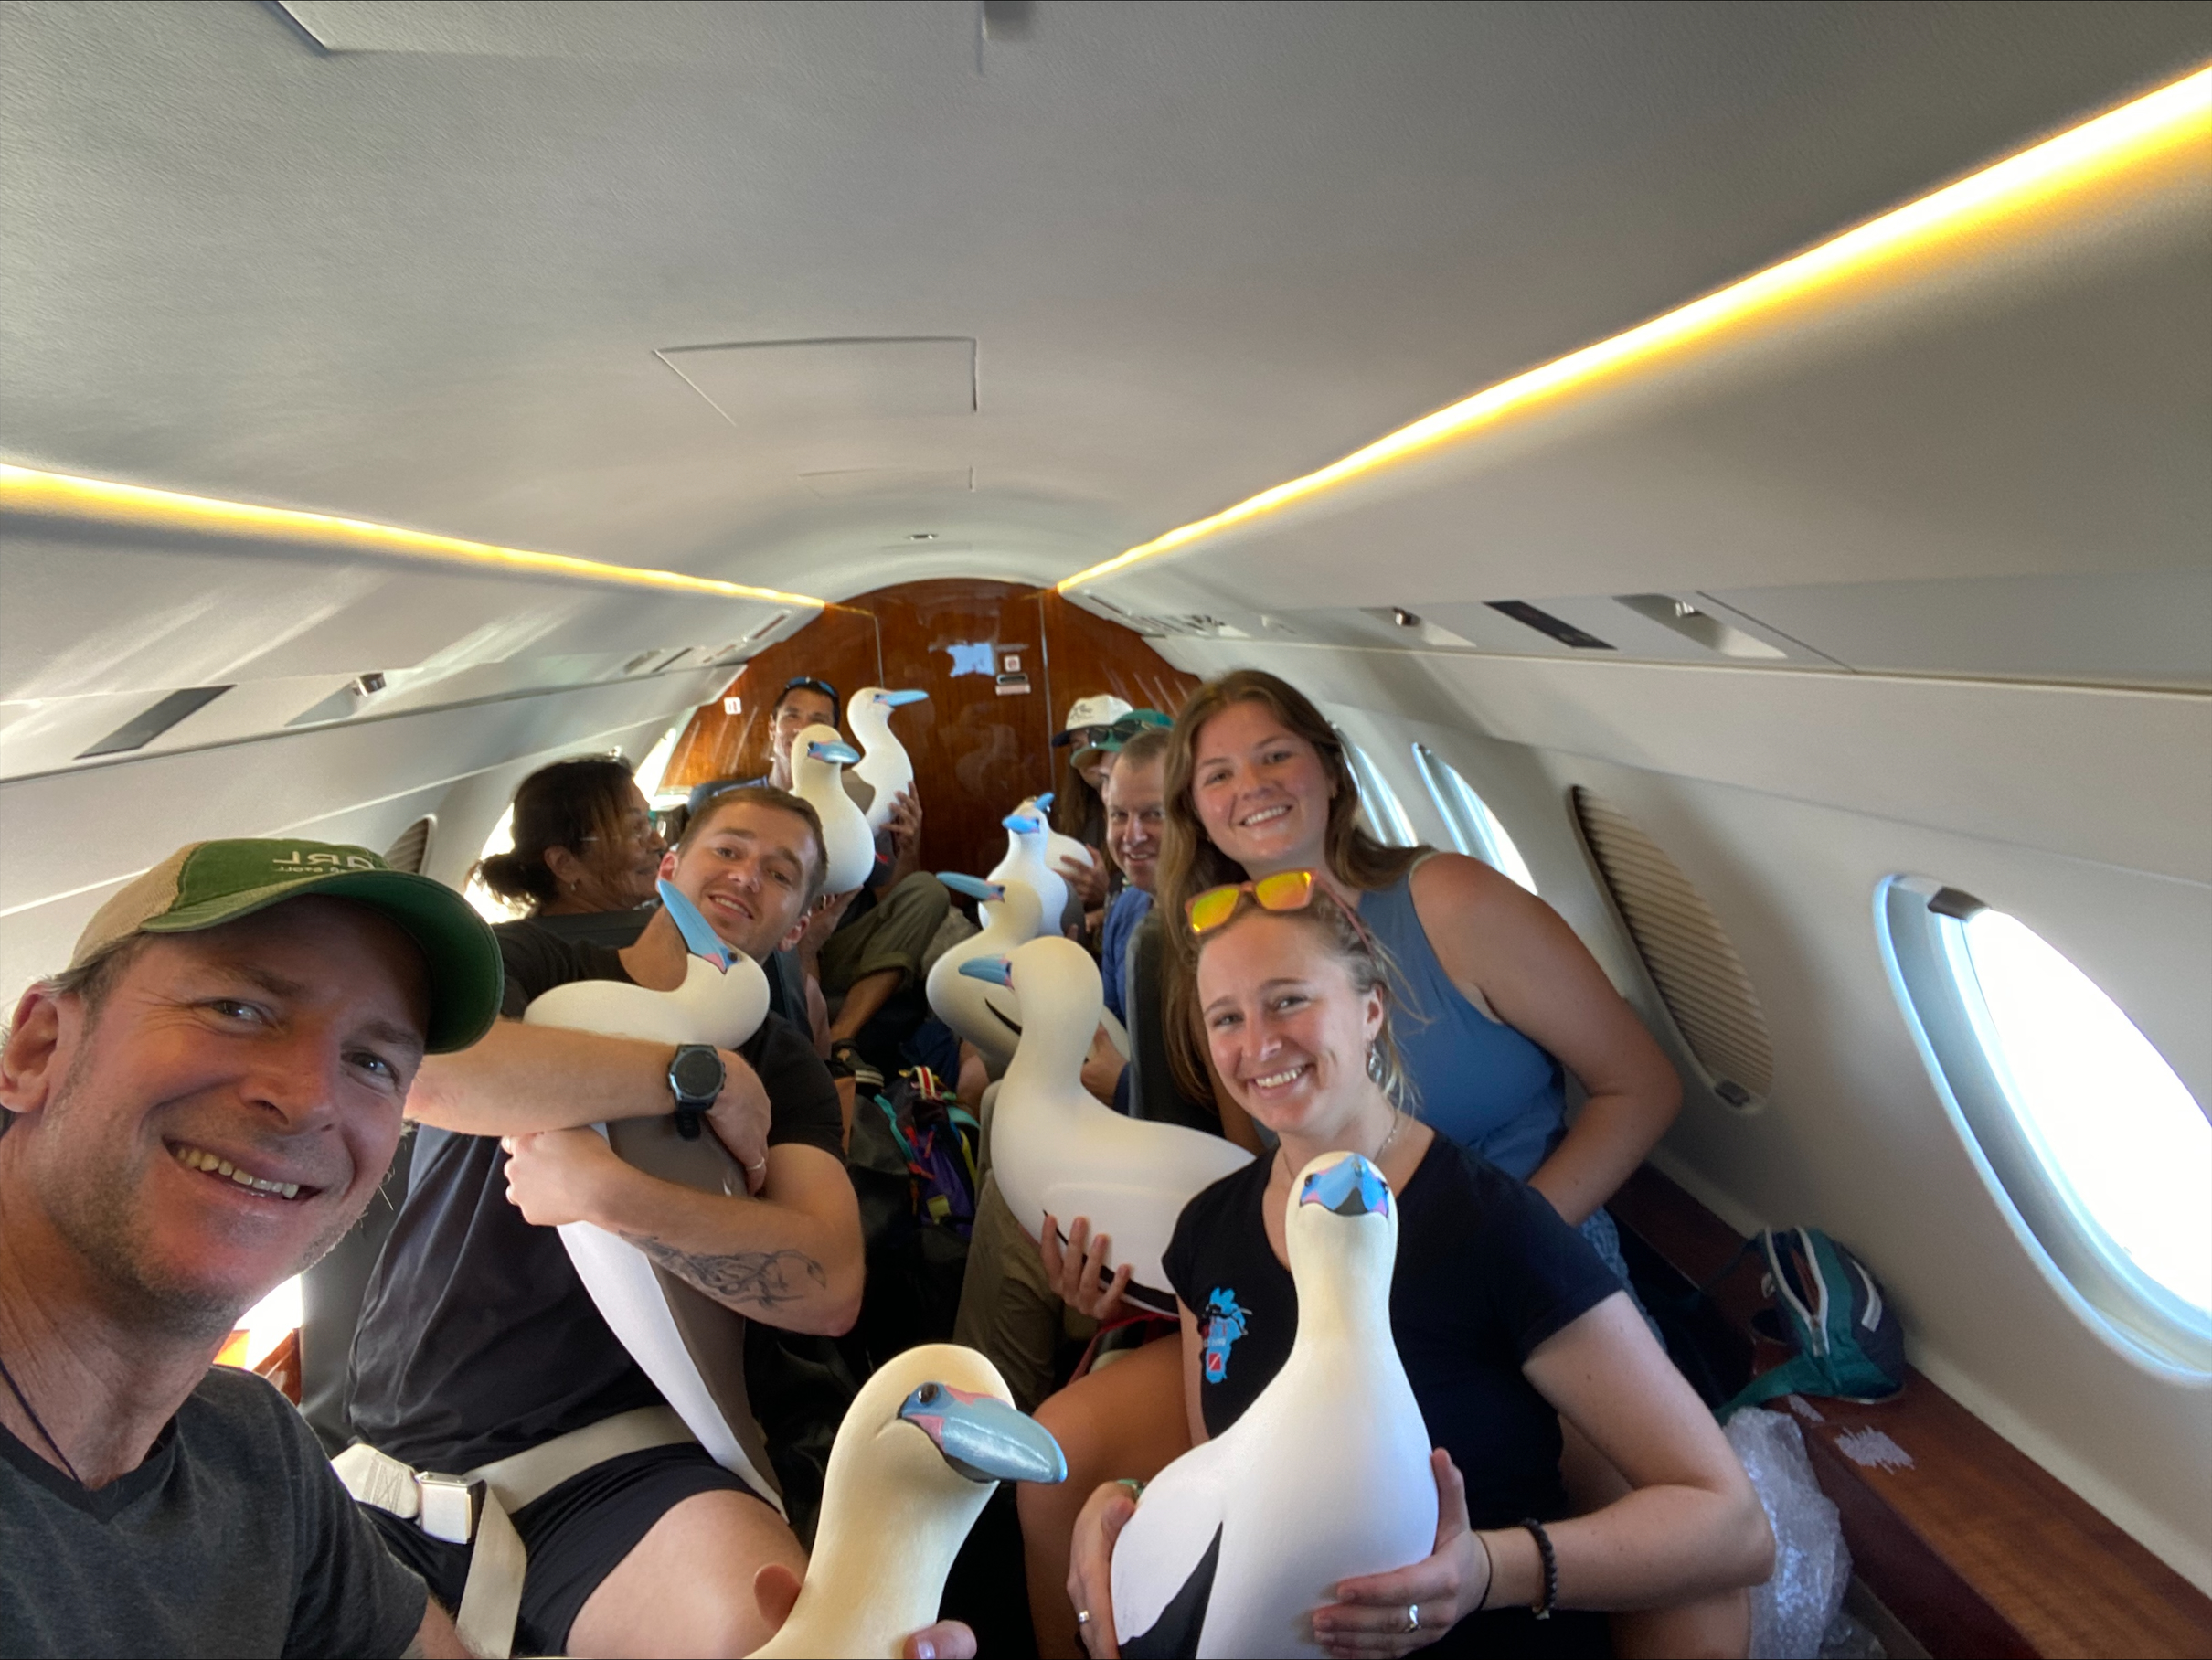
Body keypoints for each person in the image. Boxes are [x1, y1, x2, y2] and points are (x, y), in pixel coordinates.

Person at [1020, 667, 1695, 1655]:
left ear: (1331, 770)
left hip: (1520, 1249)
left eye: (1274, 753)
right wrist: (1126, 1296)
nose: (1249, 785)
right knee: (1062, 1457)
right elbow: (1260, 1167)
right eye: (1217, 773)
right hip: (1317, 1267)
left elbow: (1642, 1085)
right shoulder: (1207, 953)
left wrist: (1481, 1241)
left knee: (1682, 1585)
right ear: (1192, 810)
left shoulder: (1448, 899)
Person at [1064, 878, 1771, 1658]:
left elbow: (1733, 1525)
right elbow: (1227, 1473)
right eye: (1226, 1017)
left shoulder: (1492, 1224)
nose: (1258, 1044)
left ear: (1370, 1011)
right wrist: (1128, 1506)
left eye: (1289, 1001)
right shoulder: (1209, 1233)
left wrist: (1489, 1571)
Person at [346, 786, 951, 1658]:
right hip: (401, 1450)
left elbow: (827, 1282)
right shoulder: (528, 959)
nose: (748, 876)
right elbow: (435, 1077)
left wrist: (606, 1194)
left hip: (615, 1460)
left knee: (777, 1634)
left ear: (794, 926)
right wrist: (688, 1074)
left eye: (781, 874)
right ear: (670, 866)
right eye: (730, 850)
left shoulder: (783, 1067)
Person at [0, 836, 506, 1657]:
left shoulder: (251, 1450)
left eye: (371, 1061)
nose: (308, 1100)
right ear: (38, 1050)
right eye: (237, 1010)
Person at [693, 674, 946, 1082]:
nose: (803, 728)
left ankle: (844, 1036)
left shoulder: (858, 797)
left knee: (928, 892)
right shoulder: (734, 807)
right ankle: (813, 1047)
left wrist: (908, 847)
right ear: (773, 727)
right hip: (777, 934)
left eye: (818, 719)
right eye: (793, 716)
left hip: (847, 937)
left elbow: (892, 894)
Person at [478, 756, 669, 950]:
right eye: (635, 829)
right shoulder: (565, 959)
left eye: (649, 822)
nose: (659, 842)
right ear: (564, 864)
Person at [1078, 725, 1170, 1112]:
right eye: (1119, 815)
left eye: (1153, 815)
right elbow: (1110, 1025)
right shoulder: (1127, 910)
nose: (1132, 836)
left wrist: (1124, 1086)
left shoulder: (1218, 924)